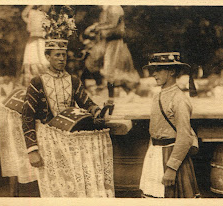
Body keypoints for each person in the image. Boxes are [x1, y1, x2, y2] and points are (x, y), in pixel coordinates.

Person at [21, 7, 114, 197]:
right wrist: (32, 150)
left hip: (70, 139)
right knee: (55, 190)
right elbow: (27, 116)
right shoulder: (37, 82)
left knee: (75, 187)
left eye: (63, 55)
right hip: (47, 141)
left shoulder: (73, 80)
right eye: (57, 55)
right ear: (47, 57)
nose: (62, 59)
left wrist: (97, 110)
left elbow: (86, 102)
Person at [139, 52, 200, 198]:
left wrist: (172, 168)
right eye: (153, 70)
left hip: (171, 156)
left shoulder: (179, 99)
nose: (154, 74)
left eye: (159, 70)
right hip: (155, 154)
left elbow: (185, 137)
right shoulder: (158, 96)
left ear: (172, 71)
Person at [92, 5, 140, 102]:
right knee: (106, 69)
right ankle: (112, 95)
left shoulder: (114, 7)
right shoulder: (106, 9)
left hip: (115, 43)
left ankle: (119, 95)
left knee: (114, 70)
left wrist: (98, 27)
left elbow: (113, 24)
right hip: (108, 42)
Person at [18, 5, 51, 87]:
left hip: (42, 41)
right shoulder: (32, 13)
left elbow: (49, 29)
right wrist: (31, 4)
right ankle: (31, 85)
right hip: (32, 40)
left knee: (43, 62)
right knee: (31, 61)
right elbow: (24, 15)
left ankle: (45, 84)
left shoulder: (46, 17)